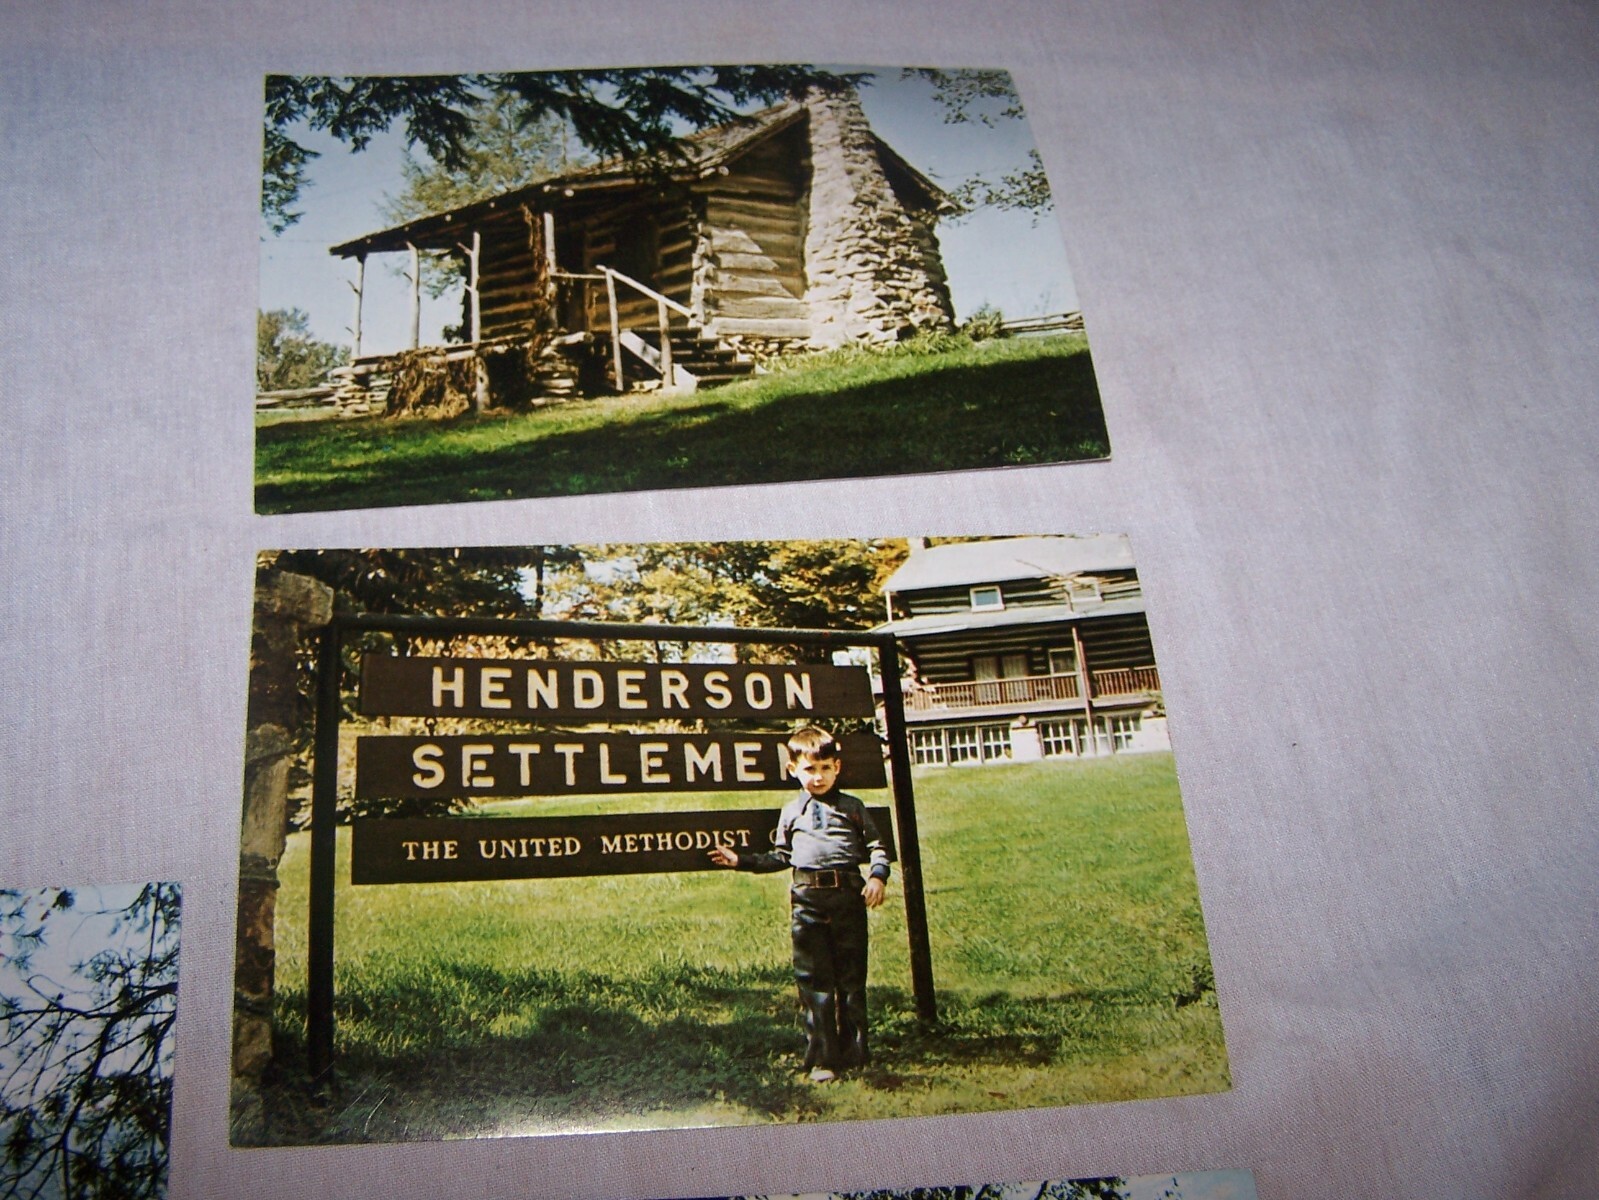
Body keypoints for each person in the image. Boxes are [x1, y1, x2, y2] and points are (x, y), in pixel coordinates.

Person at [708, 725, 890, 1082]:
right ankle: (823, 1058)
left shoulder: (853, 808)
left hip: (847, 897)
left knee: (851, 978)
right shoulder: (791, 812)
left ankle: (856, 1052)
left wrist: (878, 876)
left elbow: (877, 847)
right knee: (814, 980)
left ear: (837, 767)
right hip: (807, 901)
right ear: (793, 769)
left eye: (825, 768)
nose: (818, 777)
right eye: (809, 769)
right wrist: (740, 861)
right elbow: (781, 856)